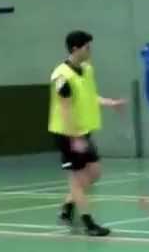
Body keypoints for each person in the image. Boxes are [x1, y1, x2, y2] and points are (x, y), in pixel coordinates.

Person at [48, 30, 126, 237]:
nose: (90, 50)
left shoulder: (87, 70)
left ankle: (67, 208)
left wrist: (110, 103)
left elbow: (90, 96)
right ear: (75, 48)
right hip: (68, 135)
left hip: (83, 131)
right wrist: (74, 138)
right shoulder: (61, 76)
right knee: (76, 179)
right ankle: (89, 224)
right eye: (87, 47)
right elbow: (64, 108)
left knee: (94, 173)